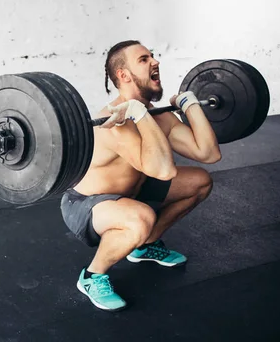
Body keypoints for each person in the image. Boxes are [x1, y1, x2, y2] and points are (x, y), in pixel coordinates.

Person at [60, 40, 222, 312]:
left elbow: (208, 153)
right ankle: (92, 276)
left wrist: (191, 104)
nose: (155, 62)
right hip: (87, 205)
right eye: (144, 60)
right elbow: (164, 170)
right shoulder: (115, 123)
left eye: (153, 57)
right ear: (123, 75)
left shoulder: (157, 117)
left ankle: (144, 246)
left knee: (200, 181)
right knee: (141, 218)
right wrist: (136, 112)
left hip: (132, 193)